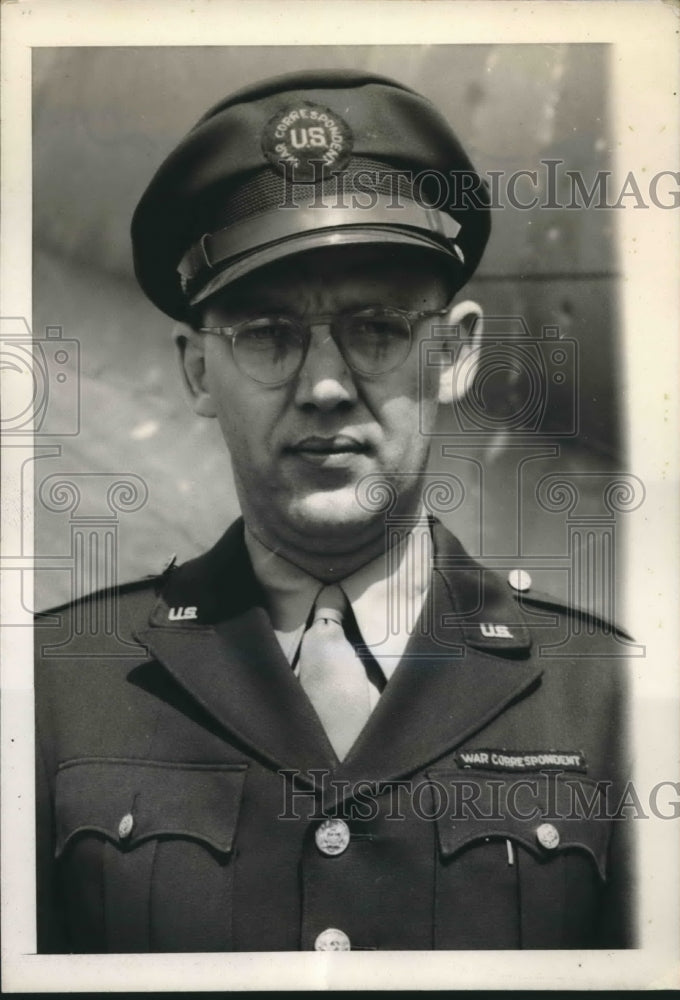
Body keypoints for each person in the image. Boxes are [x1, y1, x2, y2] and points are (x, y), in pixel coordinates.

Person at [35, 69, 634, 953]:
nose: (324, 388)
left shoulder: (607, 699)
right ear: (198, 372)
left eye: (378, 329)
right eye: (267, 336)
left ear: (455, 354)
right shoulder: (52, 691)